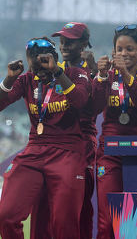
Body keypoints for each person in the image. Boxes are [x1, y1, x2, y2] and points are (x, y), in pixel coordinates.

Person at [0, 37, 91, 238]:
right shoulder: (26, 81)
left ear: (55, 57)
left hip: (68, 152)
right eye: (33, 59)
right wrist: (9, 79)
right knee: (6, 215)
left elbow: (81, 101)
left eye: (43, 58)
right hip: (34, 151)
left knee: (63, 223)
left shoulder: (75, 74)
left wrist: (57, 72)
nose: (38, 64)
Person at [30, 22, 98, 239]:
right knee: (43, 207)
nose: (65, 44)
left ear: (84, 43)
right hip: (53, 146)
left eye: (71, 39)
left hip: (82, 145)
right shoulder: (53, 70)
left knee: (78, 209)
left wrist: (94, 71)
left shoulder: (88, 71)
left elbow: (85, 103)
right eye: (62, 40)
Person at [93, 25, 137, 239]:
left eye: (129, 49)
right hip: (110, 154)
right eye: (119, 49)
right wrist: (99, 77)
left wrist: (127, 76)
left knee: (129, 223)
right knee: (107, 220)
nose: (124, 53)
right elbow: (94, 107)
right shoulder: (107, 77)